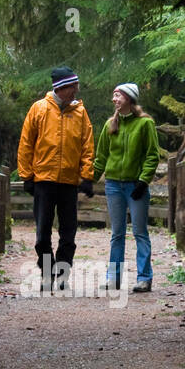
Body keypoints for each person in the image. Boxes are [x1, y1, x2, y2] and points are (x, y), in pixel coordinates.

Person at [17, 66, 95, 290]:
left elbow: (87, 146)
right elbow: (26, 144)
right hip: (44, 180)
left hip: (69, 183)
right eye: (73, 87)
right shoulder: (38, 109)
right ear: (61, 87)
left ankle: (62, 275)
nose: (76, 91)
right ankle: (47, 273)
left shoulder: (80, 112)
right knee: (42, 234)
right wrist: (27, 176)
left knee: (68, 233)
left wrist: (86, 176)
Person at [93, 82, 160, 292]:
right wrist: (89, 180)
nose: (114, 99)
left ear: (129, 99)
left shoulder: (145, 124)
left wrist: (143, 181)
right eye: (113, 96)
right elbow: (101, 157)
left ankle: (144, 278)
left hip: (136, 185)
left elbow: (152, 155)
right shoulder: (109, 125)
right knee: (117, 233)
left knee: (140, 232)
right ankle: (113, 278)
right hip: (113, 185)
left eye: (118, 96)